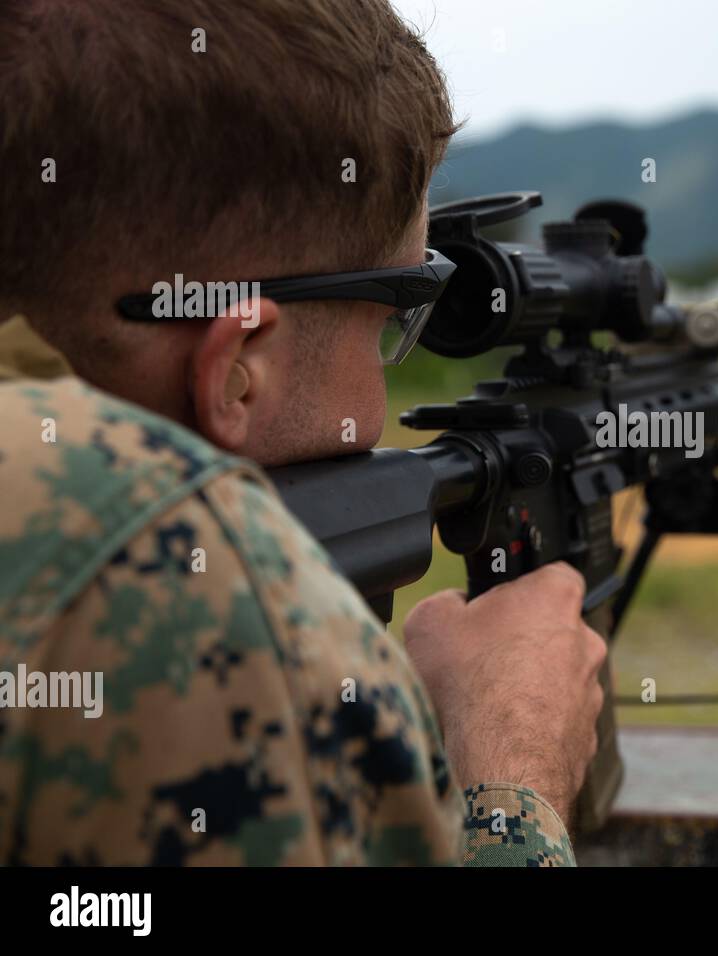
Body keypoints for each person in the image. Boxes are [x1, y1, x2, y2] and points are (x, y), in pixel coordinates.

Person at [0, 0, 606, 866]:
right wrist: (512, 777)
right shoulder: (170, 587)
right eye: (398, 319)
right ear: (239, 366)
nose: (386, 375)